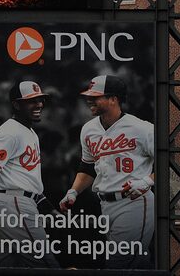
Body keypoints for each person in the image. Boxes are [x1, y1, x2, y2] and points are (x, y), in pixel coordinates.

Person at [59, 75, 155, 269]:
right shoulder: (88, 129)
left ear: (114, 99)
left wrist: (147, 181)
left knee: (117, 264)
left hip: (134, 202)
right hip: (106, 205)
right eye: (89, 95)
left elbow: (168, 160)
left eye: (96, 96)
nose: (89, 100)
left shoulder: (142, 128)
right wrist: (74, 191)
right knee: (137, 264)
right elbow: (87, 166)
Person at [0, 80, 60, 268]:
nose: (39, 105)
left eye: (40, 100)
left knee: (11, 268)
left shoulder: (29, 132)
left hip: (10, 201)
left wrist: (49, 209)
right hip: (13, 203)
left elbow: (27, 179)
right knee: (47, 265)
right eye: (31, 101)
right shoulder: (11, 131)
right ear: (16, 105)